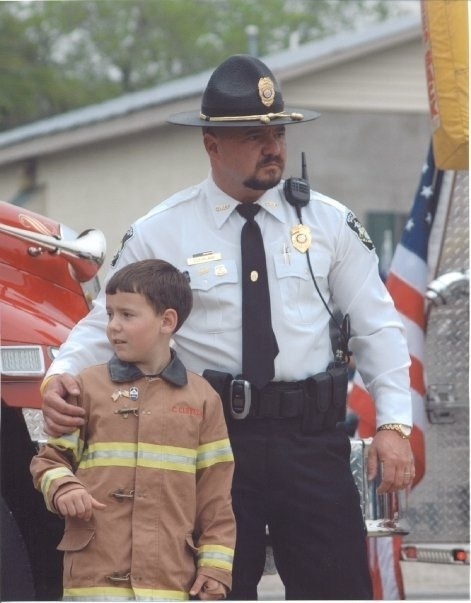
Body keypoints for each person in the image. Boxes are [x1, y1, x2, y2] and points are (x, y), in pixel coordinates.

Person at [41, 54, 415, 601]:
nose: (274, 146)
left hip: (312, 443)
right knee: (213, 590)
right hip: (212, 445)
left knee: (337, 590)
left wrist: (395, 425)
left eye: (279, 131)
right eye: (253, 134)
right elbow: (104, 324)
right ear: (211, 145)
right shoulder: (161, 230)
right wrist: (61, 379)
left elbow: (377, 326)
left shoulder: (329, 222)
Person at [31, 259, 236, 601]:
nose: (113, 327)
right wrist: (64, 488)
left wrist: (215, 569)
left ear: (167, 321)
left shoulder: (203, 400)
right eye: (110, 314)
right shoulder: (85, 388)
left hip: (171, 583)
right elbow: (47, 461)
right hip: (93, 582)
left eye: (127, 315)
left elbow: (216, 499)